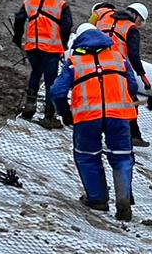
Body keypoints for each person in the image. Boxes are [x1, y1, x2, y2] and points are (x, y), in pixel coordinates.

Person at [50, 26, 139, 222]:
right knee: (122, 157)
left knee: (87, 157)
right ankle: (123, 202)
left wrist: (66, 114)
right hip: (118, 117)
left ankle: (97, 199)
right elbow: (133, 86)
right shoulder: (119, 58)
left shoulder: (74, 63)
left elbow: (57, 92)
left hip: (87, 118)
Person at [12, 0, 72, 126]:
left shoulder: (30, 1)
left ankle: (29, 107)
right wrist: (64, 45)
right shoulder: (62, 5)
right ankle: (49, 117)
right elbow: (66, 27)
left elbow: (19, 19)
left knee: (36, 73)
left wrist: (17, 38)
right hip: (51, 50)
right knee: (51, 81)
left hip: (32, 48)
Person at [97, 1, 152, 148]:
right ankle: (133, 135)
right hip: (115, 68)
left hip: (93, 62)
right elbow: (133, 55)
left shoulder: (106, 16)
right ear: (135, 15)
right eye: (140, 21)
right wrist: (143, 76)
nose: (138, 24)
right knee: (130, 100)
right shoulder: (131, 29)